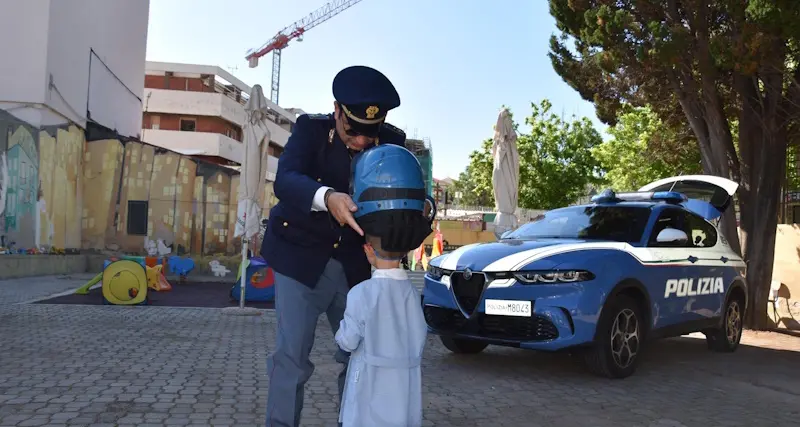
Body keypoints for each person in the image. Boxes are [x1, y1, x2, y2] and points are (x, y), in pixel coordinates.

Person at [260, 65, 406, 427]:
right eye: (353, 130)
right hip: (300, 258)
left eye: (369, 134)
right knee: (291, 357)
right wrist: (327, 198)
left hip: (355, 265)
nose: (360, 142)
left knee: (358, 356)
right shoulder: (311, 128)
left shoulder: (392, 142)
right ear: (337, 110)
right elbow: (286, 180)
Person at [335, 235, 427, 426]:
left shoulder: (361, 292)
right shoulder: (413, 292)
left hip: (369, 381)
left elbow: (348, 341)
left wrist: (340, 334)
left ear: (368, 250)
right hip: (404, 381)